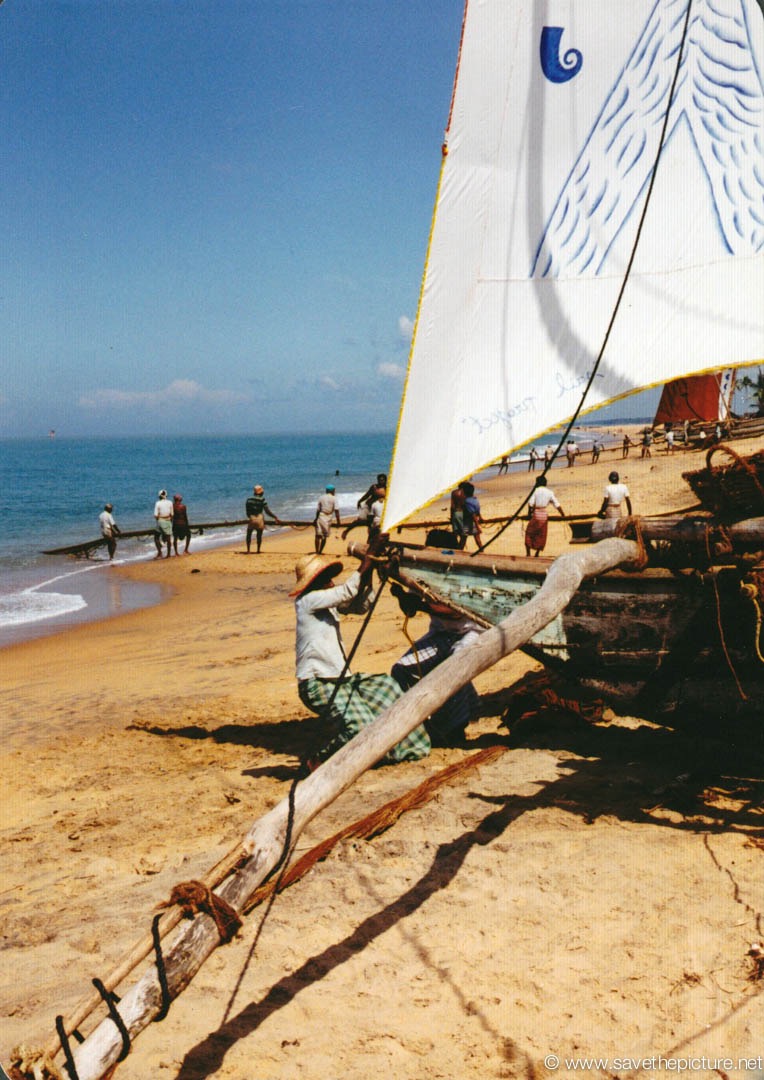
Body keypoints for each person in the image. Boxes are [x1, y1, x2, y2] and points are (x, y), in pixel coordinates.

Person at [292, 545, 430, 768]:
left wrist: (371, 575)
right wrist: (368, 560)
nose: (331, 583)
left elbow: (360, 605)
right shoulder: (307, 602)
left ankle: (397, 749)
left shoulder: (327, 604)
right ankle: (320, 759)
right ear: (313, 584)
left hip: (340, 679)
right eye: (326, 579)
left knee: (388, 687)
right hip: (317, 683)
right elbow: (347, 591)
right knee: (359, 726)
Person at [390, 587, 484, 746]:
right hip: (441, 633)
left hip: (472, 630)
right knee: (400, 669)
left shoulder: (458, 572)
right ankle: (423, 729)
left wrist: (422, 606)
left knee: (456, 665)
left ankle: (457, 728)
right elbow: (411, 610)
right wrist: (401, 595)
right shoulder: (420, 574)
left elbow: (456, 611)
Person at [524, 476, 564, 556]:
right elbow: (557, 504)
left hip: (536, 514)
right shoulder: (549, 492)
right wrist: (563, 514)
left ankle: (528, 553)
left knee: (529, 533)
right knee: (542, 534)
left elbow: (530, 503)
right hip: (544, 515)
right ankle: (537, 553)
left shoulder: (535, 491)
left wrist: (529, 514)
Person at [246, 484, 281, 554]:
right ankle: (258, 550)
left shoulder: (249, 500)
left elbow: (247, 512)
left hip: (252, 518)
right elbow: (267, 511)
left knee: (249, 534)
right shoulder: (262, 500)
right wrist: (275, 517)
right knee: (259, 535)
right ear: (261, 492)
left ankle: (248, 550)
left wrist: (250, 517)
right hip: (259, 518)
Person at [313, 484, 341, 554]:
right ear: (332, 491)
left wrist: (316, 518)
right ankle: (320, 551)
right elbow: (336, 511)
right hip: (328, 518)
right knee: (324, 536)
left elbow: (318, 510)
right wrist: (338, 521)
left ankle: (317, 551)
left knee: (317, 535)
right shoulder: (334, 498)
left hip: (320, 516)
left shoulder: (321, 497)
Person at [460, 481, 483, 550]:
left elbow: (472, 514)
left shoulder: (466, 502)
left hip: (468, 523)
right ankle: (481, 550)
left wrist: (477, 526)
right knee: (477, 539)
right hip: (473, 522)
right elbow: (477, 511)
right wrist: (481, 518)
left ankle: (459, 552)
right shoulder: (475, 500)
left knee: (463, 539)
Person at [153, 489, 173, 558]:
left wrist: (159, 519)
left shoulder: (157, 503)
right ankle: (168, 554)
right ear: (166, 495)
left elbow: (155, 515)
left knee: (156, 537)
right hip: (168, 520)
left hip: (160, 520)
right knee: (168, 539)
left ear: (159, 496)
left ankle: (160, 552)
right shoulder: (170, 502)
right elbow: (172, 514)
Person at [450, 482, 467, 548]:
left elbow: (452, 506)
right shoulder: (465, 493)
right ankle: (460, 548)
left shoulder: (454, 493)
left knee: (455, 532)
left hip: (455, 512)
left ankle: (456, 547)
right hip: (463, 513)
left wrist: (451, 517)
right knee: (464, 534)